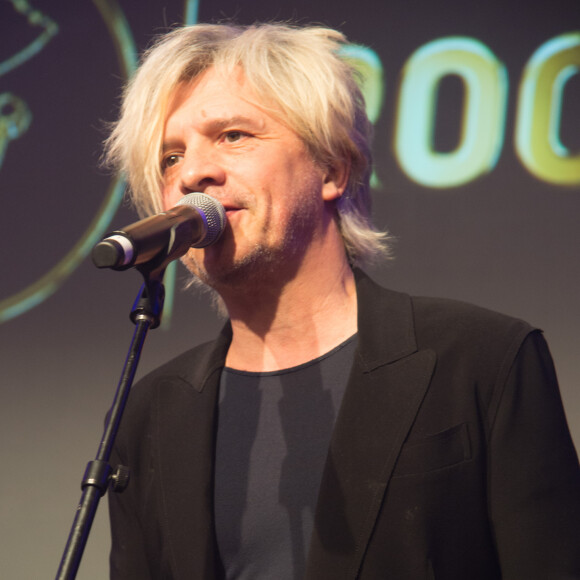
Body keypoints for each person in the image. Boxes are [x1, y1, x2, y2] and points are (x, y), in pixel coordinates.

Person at [104, 23, 580, 580]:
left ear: (332, 167)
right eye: (169, 158)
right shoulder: (152, 412)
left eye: (233, 135)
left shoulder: (482, 360)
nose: (192, 173)